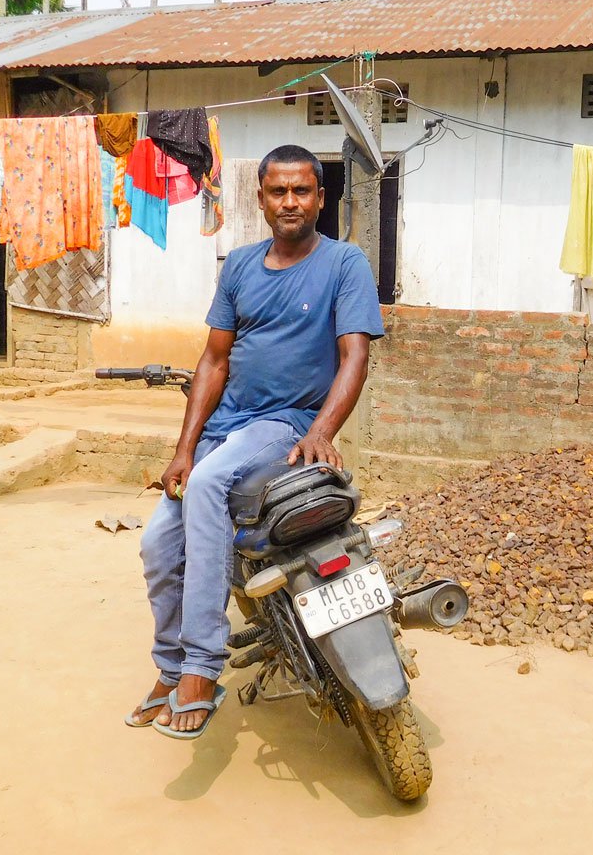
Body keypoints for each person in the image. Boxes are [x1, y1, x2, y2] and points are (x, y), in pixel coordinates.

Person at [127, 144, 385, 739]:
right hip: (224, 430)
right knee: (156, 545)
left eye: (302, 190)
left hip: (285, 424)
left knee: (213, 485)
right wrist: (184, 449)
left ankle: (201, 666)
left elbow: (355, 356)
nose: (290, 201)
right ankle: (170, 670)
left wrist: (322, 429)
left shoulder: (344, 263)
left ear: (321, 197)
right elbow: (213, 362)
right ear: (261, 198)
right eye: (278, 191)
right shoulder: (239, 266)